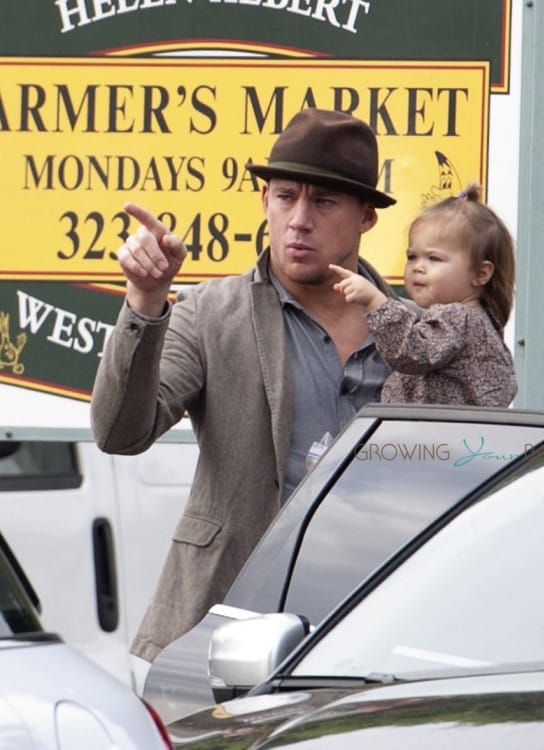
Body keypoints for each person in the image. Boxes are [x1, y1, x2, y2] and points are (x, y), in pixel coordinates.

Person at [90, 108, 398, 663]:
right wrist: (145, 301)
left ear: (366, 218)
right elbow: (119, 433)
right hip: (224, 629)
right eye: (285, 196)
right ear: (264, 200)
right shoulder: (210, 312)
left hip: (368, 631)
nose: (299, 219)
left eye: (323, 202)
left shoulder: (415, 334)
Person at [330, 182, 517, 406]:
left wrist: (376, 302)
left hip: (432, 439)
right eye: (412, 257)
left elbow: (411, 353)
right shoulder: (481, 321)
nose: (418, 267)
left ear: (480, 273)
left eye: (434, 258)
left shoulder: (459, 317)